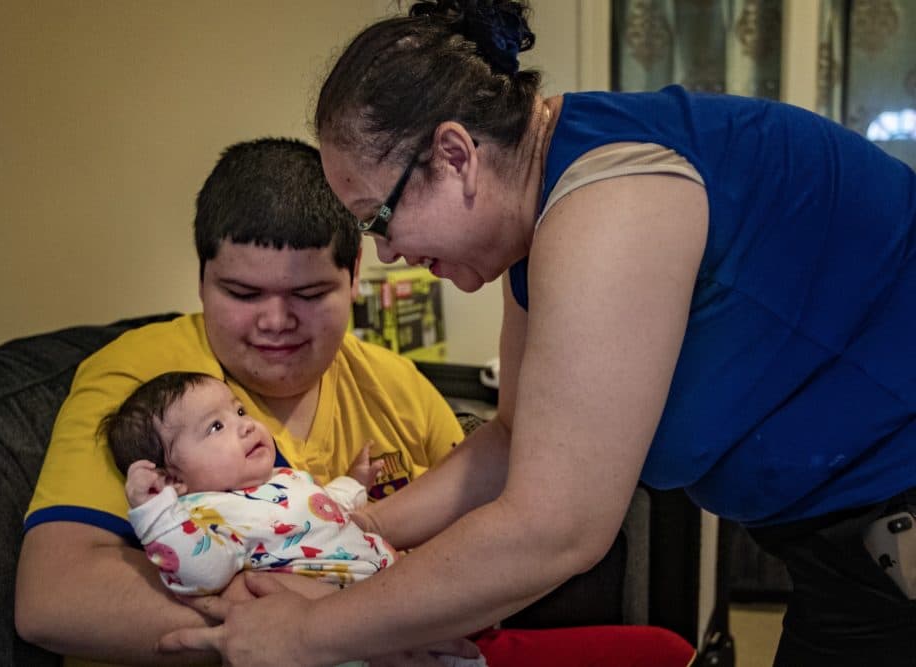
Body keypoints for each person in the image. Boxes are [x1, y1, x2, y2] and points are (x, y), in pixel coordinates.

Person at [156, 1, 916, 666]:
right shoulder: (547, 206)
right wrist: (349, 528)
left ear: (454, 156)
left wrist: (307, 634)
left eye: (378, 219)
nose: (386, 254)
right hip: (839, 547)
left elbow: (555, 527)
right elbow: (516, 438)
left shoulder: (608, 203)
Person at [14, 138, 471, 667]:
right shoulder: (143, 382)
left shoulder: (398, 386)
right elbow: (55, 598)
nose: (275, 322)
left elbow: (489, 535)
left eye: (308, 294)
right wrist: (341, 631)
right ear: (202, 281)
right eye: (243, 294)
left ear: (354, 277)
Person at [105, 372, 396, 594]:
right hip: (340, 617)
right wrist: (155, 514)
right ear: (173, 479)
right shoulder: (202, 518)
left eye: (240, 411)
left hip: (389, 583)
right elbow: (202, 574)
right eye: (216, 426)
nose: (246, 425)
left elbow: (319, 510)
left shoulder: (279, 476)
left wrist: (352, 483)